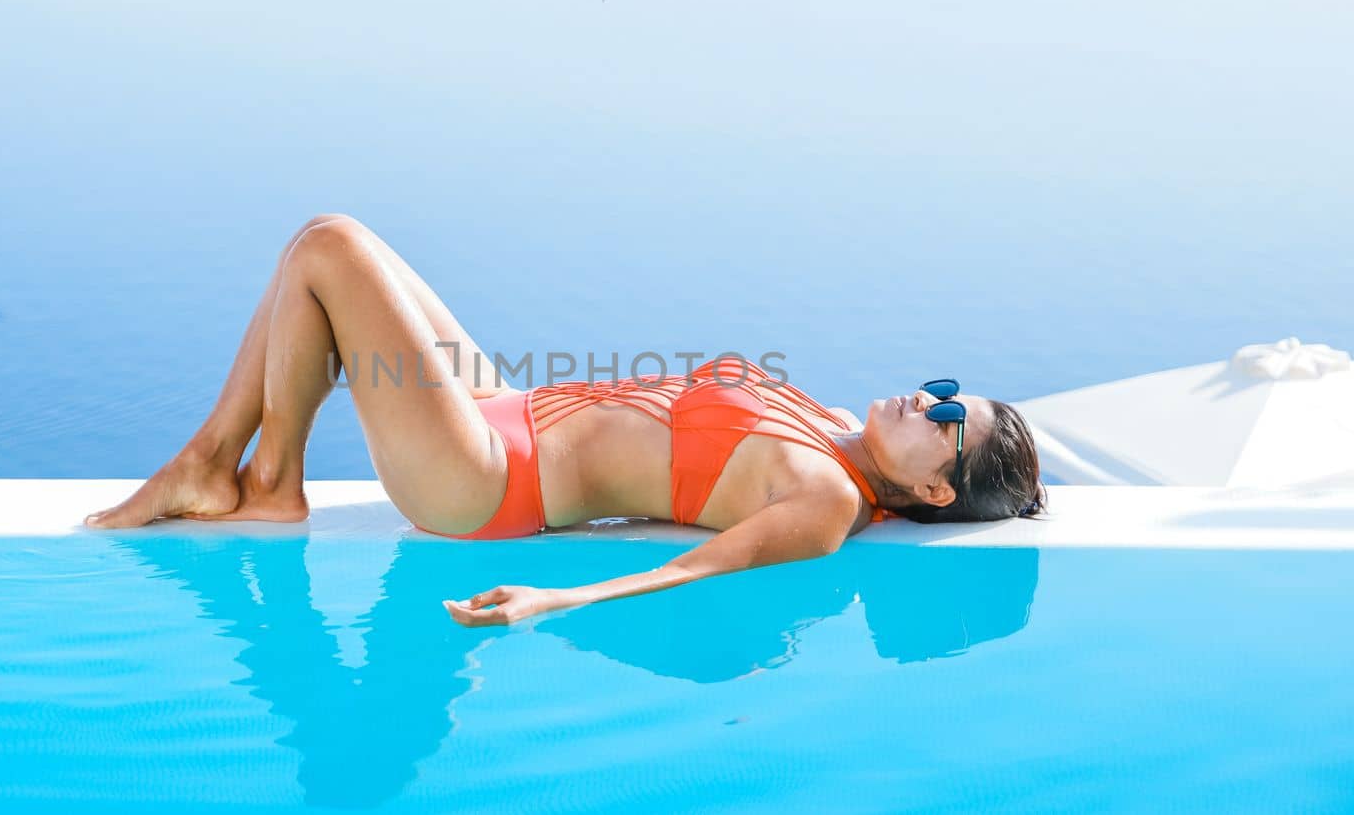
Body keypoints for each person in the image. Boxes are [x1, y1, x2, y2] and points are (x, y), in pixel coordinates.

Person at [83, 214, 1047, 626]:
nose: (931, 399)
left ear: (931, 487)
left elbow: (695, 569)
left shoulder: (826, 499)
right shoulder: (830, 420)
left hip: (490, 482)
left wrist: (558, 601)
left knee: (331, 247)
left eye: (948, 420)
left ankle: (214, 465)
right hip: (507, 406)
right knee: (321, 251)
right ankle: (265, 481)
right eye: (946, 387)